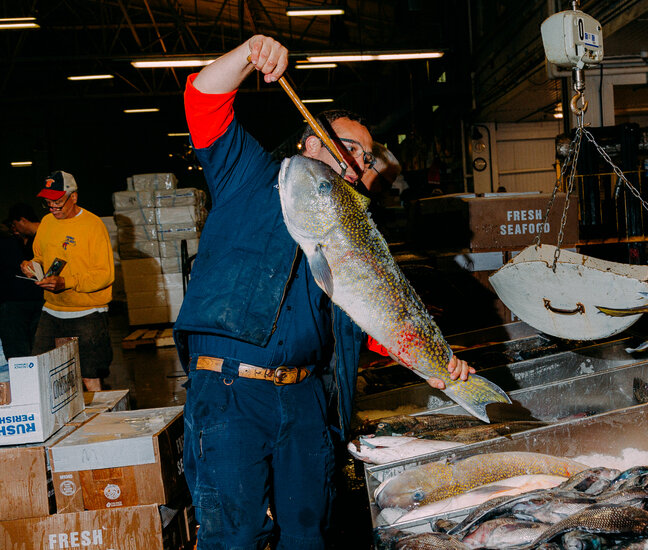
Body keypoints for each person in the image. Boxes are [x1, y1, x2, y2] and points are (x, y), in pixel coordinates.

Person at [173, 35, 474, 550]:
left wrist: (438, 365)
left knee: (311, 533)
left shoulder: (349, 227)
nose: (357, 160)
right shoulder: (248, 177)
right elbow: (202, 97)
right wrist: (250, 53)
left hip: (308, 396)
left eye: (365, 156)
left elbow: (371, 318)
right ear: (309, 141)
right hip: (230, 392)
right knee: (235, 536)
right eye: (348, 147)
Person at [20, 172, 114, 392]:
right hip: (52, 311)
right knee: (40, 371)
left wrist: (67, 282)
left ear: (74, 197)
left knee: (90, 377)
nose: (52, 206)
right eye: (48, 201)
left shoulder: (93, 225)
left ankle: (101, 423)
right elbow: (40, 256)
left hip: (88, 313)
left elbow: (105, 274)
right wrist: (31, 266)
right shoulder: (46, 222)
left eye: (58, 201)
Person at [1, 204, 44, 358]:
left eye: (15, 224)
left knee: (36, 349)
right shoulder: (12, 242)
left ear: (23, 220)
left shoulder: (42, 239)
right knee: (19, 352)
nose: (14, 229)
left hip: (35, 303)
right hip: (17, 304)